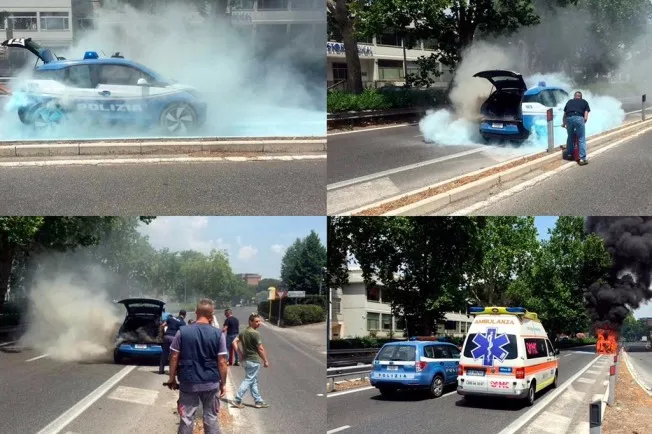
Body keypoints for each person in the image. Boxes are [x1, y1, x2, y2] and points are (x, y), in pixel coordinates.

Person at [165, 299, 228, 434]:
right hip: (211, 383)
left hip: (188, 383)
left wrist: (172, 378)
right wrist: (223, 383)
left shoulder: (182, 332)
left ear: (195, 312)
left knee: (186, 419)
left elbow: (174, 356)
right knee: (211, 419)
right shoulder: (219, 334)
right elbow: (222, 362)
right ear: (212, 314)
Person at [232, 313, 270, 409]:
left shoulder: (244, 332)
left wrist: (240, 354)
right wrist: (265, 360)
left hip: (246, 361)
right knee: (249, 380)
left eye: (259, 321)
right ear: (250, 322)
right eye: (256, 321)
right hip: (253, 360)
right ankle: (237, 399)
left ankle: (258, 401)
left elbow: (234, 342)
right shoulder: (255, 333)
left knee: (253, 381)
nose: (259, 323)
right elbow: (260, 348)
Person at [561, 91, 591, 166]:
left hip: (569, 119)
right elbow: (586, 114)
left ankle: (570, 155)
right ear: (581, 97)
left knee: (570, 137)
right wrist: (583, 121)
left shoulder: (569, 101)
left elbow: (564, 114)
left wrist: (564, 123)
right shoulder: (584, 102)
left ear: (574, 96)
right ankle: (582, 159)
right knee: (581, 138)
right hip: (579, 118)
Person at [159, 310, 186, 374]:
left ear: (179, 313)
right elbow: (183, 332)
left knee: (164, 354)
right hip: (174, 338)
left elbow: (163, 325)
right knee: (173, 355)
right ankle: (172, 372)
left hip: (166, 337)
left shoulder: (170, 318)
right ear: (184, 315)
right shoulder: (182, 322)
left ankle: (161, 370)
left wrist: (161, 334)